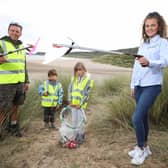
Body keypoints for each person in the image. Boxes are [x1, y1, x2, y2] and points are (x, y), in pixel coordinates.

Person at [129, 12, 168, 165]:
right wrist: (132, 85)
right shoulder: (143, 44)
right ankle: (145, 147)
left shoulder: (164, 43)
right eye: (147, 25)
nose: (150, 28)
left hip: (152, 85)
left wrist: (150, 62)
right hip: (139, 84)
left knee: (136, 117)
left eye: (153, 25)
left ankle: (140, 149)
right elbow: (136, 67)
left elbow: (165, 61)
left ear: (158, 26)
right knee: (143, 116)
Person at [0, 22, 30, 137]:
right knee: (2, 108)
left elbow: (24, 65)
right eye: (12, 30)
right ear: (8, 31)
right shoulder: (1, 43)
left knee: (15, 106)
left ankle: (13, 127)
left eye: (17, 31)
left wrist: (26, 81)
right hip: (5, 83)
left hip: (19, 83)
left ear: (20, 33)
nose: (14, 33)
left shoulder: (22, 47)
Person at [68, 62, 94, 144]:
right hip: (73, 104)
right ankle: (75, 136)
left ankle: (81, 136)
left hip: (80, 105)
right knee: (74, 120)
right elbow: (69, 90)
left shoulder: (88, 80)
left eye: (80, 69)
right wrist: (70, 100)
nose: (78, 72)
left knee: (80, 121)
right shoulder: (73, 79)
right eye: (76, 70)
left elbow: (86, 94)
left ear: (84, 70)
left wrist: (81, 104)